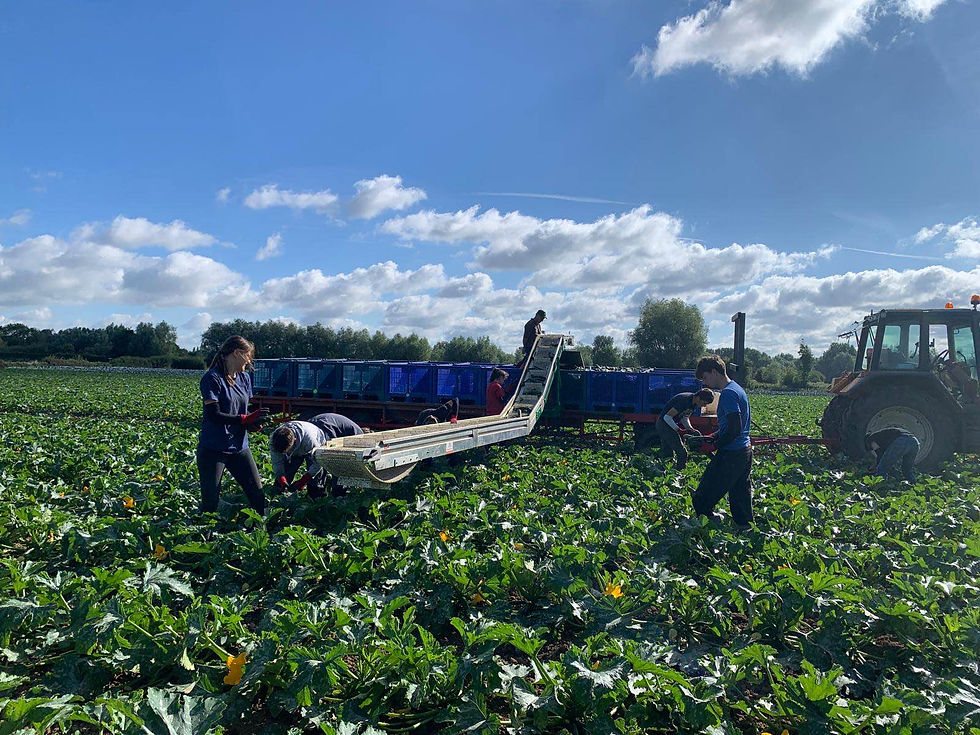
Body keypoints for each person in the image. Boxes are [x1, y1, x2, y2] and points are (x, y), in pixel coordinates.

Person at [197, 335, 269, 516]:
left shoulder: (244, 378)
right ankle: (206, 539)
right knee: (210, 503)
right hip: (214, 448)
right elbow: (213, 415)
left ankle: (262, 532)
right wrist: (244, 419)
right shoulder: (212, 378)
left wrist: (253, 423)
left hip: (239, 446)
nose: (249, 361)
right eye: (248, 356)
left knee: (258, 496)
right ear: (237, 353)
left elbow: (243, 408)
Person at [686, 355, 753, 530]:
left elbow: (734, 429)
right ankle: (745, 530)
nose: (705, 383)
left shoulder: (729, 394)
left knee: (701, 498)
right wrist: (714, 435)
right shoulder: (737, 388)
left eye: (705, 378)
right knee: (740, 494)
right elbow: (733, 427)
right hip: (745, 450)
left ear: (714, 372)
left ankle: (711, 533)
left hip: (732, 453)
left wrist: (713, 445)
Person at [271, 413, 363, 498]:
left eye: (288, 451)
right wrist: (281, 477)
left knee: (318, 483)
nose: (286, 454)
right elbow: (277, 461)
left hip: (340, 435)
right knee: (284, 476)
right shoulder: (275, 438)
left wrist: (305, 479)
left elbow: (318, 463)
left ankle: (327, 500)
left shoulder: (311, 441)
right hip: (319, 426)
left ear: (295, 441)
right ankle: (278, 495)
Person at [655, 388, 715, 470]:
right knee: (682, 452)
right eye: (704, 403)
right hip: (664, 424)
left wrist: (690, 428)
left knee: (668, 452)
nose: (704, 406)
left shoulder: (694, 404)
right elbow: (667, 417)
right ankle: (680, 473)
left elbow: (684, 417)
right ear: (699, 397)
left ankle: (665, 472)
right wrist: (679, 430)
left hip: (670, 423)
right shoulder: (684, 401)